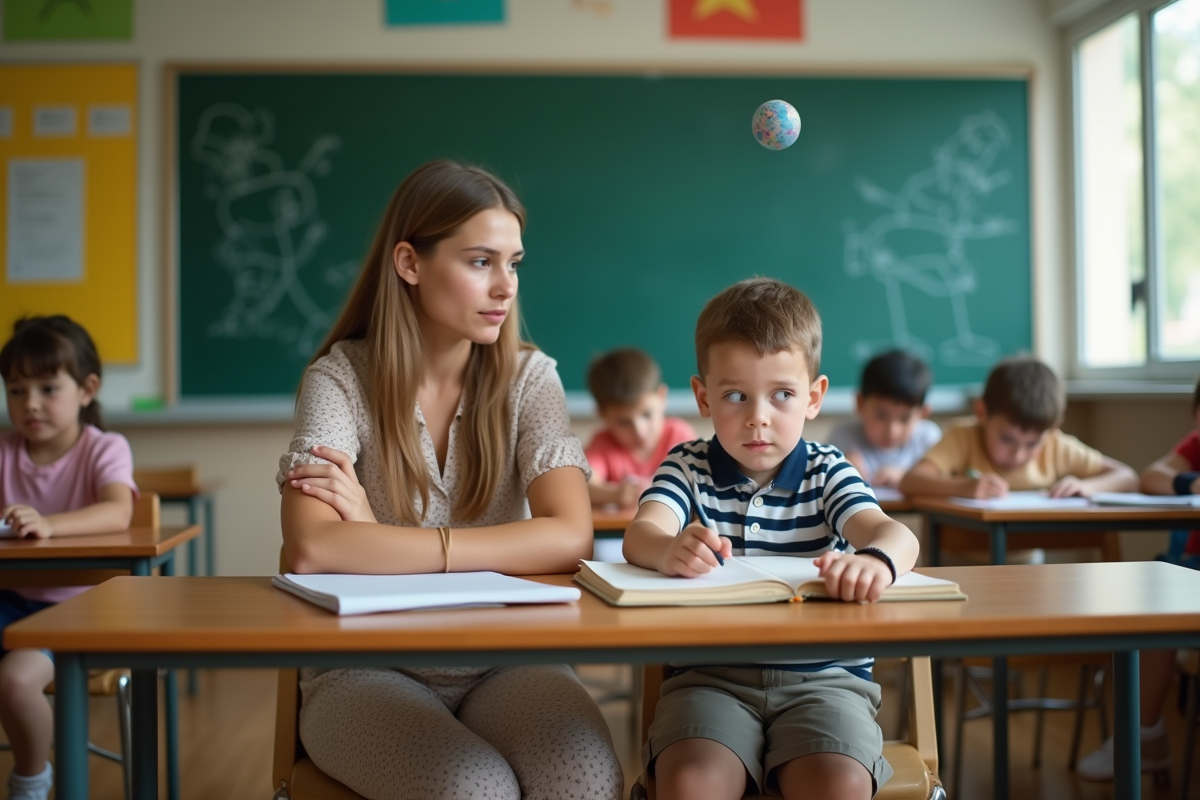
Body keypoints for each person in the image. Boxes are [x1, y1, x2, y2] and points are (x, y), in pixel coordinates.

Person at [276, 160, 622, 800]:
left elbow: (571, 534)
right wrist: (500, 547)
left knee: (586, 778)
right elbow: (314, 547)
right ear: (409, 263)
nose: (505, 287)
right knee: (472, 788)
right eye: (480, 262)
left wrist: (379, 538)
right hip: (364, 668)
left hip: (507, 660)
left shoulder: (530, 379)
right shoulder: (339, 380)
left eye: (513, 263)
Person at [623, 278, 920, 800]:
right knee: (691, 783)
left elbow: (895, 535)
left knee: (838, 785)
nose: (758, 416)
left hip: (827, 683)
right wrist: (667, 548)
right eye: (735, 395)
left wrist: (875, 559)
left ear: (813, 397)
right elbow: (641, 534)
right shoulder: (688, 467)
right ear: (702, 397)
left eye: (782, 395)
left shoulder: (828, 471)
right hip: (709, 680)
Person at [0, 315, 138, 800]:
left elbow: (119, 511)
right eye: (16, 391)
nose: (29, 403)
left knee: (16, 681)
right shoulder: (3, 450)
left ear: (86, 389)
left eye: (46, 387)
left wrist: (49, 523)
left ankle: (32, 779)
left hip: (77, 611)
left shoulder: (103, 448)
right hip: (11, 600)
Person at [1076, 373, 1200, 781]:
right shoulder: (1194, 447)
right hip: (1190, 572)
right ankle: (1145, 736)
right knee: (1154, 596)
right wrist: (1190, 481)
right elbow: (1152, 476)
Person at [899, 357, 1138, 499]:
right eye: (1007, 439)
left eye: (1033, 443)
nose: (1018, 454)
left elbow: (1127, 477)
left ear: (1053, 428)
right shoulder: (963, 437)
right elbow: (910, 481)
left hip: (1029, 563)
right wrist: (964, 487)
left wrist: (1088, 486)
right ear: (982, 413)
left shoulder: (1055, 445)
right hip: (958, 563)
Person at [584, 347, 696, 508]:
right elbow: (584, 486)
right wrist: (615, 494)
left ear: (662, 397)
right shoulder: (602, 444)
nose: (639, 431)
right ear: (602, 415)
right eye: (623, 422)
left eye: (647, 414)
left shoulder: (679, 435)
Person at [828, 349, 941, 489]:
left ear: (923, 413)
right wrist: (842, 469)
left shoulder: (927, 438)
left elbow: (941, 481)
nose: (892, 431)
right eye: (881, 416)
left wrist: (907, 478)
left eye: (905, 419)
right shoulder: (844, 437)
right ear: (860, 404)